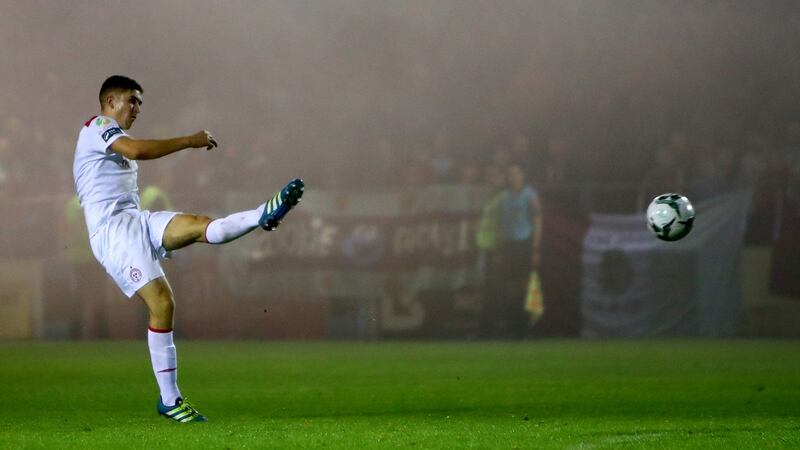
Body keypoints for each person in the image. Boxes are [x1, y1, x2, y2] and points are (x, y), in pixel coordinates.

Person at [73, 75, 304, 423]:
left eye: (140, 103)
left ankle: (262, 214)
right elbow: (137, 150)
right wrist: (189, 141)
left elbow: (133, 151)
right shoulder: (98, 125)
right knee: (163, 303)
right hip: (114, 233)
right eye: (131, 100)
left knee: (199, 225)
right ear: (110, 102)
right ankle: (170, 399)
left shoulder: (112, 134)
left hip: (136, 220)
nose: (137, 108)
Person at [497, 163, 542, 338]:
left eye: (516, 173)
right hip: (509, 245)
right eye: (510, 174)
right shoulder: (503, 197)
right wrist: (499, 247)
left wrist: (536, 248)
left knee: (526, 285)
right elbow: (500, 224)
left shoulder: (530, 194)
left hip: (525, 244)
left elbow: (538, 221)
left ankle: (527, 327)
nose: (513, 177)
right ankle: (512, 325)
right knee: (510, 286)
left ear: (523, 175)